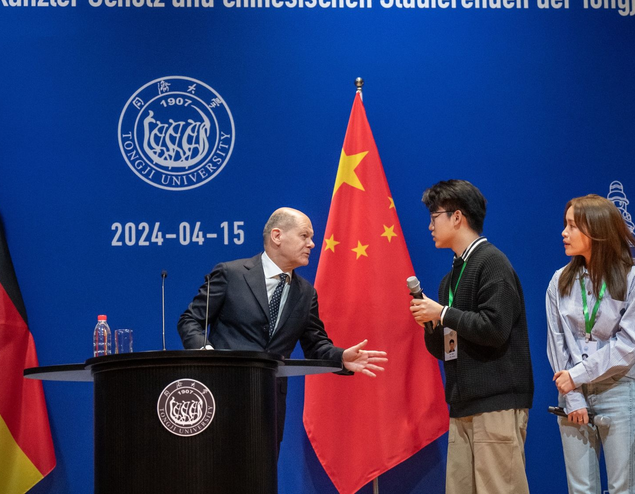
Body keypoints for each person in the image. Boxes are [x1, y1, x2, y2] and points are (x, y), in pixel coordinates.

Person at [177, 207, 387, 446]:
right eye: (304, 236)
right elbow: (190, 320)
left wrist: (341, 357)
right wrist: (208, 357)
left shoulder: (306, 293)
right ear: (277, 236)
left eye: (311, 238)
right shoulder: (231, 274)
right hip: (221, 390)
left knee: (262, 475)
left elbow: (316, 345)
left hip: (269, 402)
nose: (312, 244)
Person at [409, 179, 533, 494]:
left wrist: (443, 314)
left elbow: (494, 328)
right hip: (462, 405)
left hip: (496, 402)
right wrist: (430, 322)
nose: (430, 226)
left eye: (434, 217)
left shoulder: (492, 262)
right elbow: (445, 349)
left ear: (457, 217)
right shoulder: (449, 279)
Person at [546, 194, 635, 494]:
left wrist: (576, 376)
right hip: (572, 394)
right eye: (565, 225)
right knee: (580, 489)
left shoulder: (633, 281)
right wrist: (574, 395)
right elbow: (557, 344)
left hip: (618, 391)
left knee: (624, 488)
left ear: (596, 230)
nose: (564, 233)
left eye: (572, 226)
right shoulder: (559, 281)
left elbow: (629, 346)